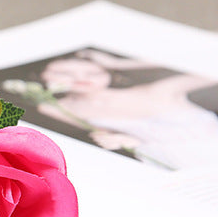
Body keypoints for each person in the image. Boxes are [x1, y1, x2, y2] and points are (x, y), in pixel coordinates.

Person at [32, 50, 218, 170]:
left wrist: (119, 63)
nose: (81, 78)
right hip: (167, 163)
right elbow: (104, 136)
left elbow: (208, 59)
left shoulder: (160, 90)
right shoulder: (56, 108)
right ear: (42, 75)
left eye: (93, 73)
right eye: (64, 73)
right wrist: (127, 141)